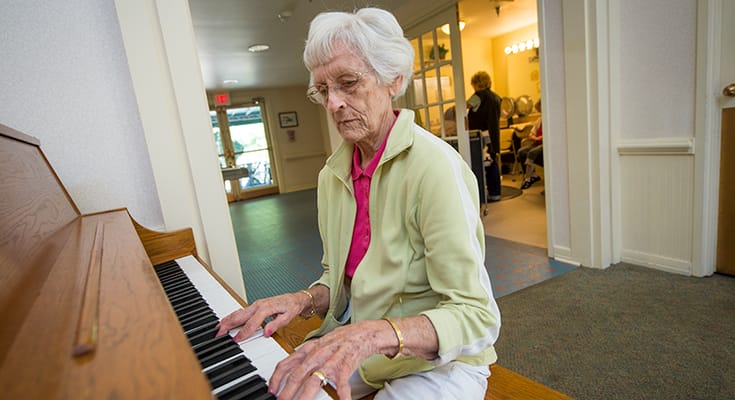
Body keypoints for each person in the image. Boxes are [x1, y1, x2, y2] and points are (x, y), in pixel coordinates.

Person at [216, 7, 501, 400]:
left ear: (393, 80)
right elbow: (343, 280)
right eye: (323, 90)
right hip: (367, 350)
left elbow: (478, 318)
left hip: (440, 361)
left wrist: (371, 334)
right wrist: (301, 300)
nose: (333, 103)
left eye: (348, 83)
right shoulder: (333, 175)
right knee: (274, 386)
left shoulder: (435, 168)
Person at [466, 71, 502, 202]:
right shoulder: (496, 97)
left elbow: (465, 106)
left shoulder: (478, 96)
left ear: (476, 83)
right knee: (492, 162)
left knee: (480, 164)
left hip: (480, 135)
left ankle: (481, 194)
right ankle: (495, 192)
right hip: (493, 134)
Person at [516, 101, 543, 190]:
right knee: (522, 151)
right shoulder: (539, 120)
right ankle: (533, 175)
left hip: (545, 144)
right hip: (536, 142)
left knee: (532, 152)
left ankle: (527, 178)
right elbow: (531, 133)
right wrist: (535, 138)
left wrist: (539, 138)